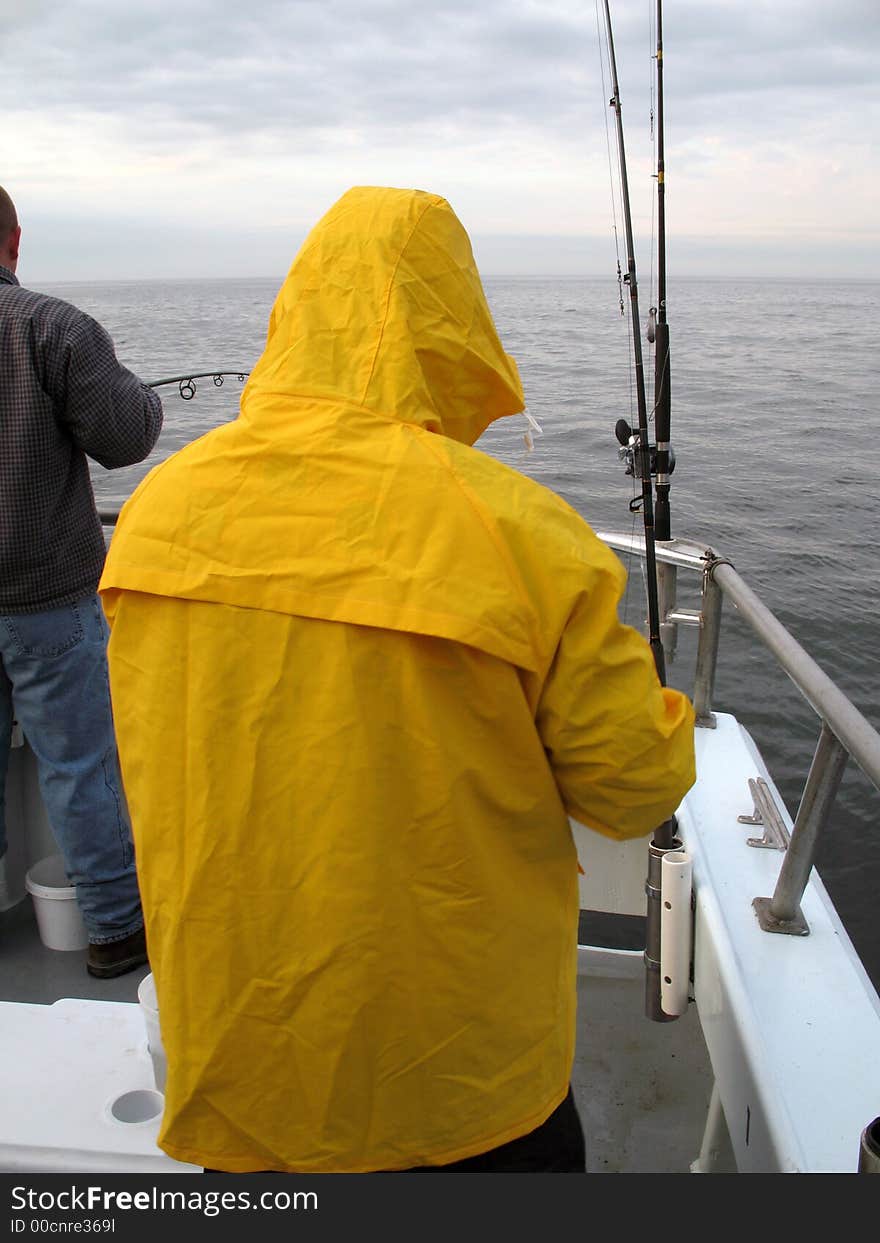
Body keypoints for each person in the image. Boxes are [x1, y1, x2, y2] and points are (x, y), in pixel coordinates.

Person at [99, 186, 695, 1172]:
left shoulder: (162, 509)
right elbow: (632, 788)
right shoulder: (522, 533)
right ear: (453, 327)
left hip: (244, 1057)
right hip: (459, 1078)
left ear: (295, 313)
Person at [0, 185, 162, 978]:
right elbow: (126, 436)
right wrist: (150, 401)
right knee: (79, 770)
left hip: (43, 604)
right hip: (49, 603)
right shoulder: (54, 328)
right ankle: (112, 933)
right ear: (15, 240)